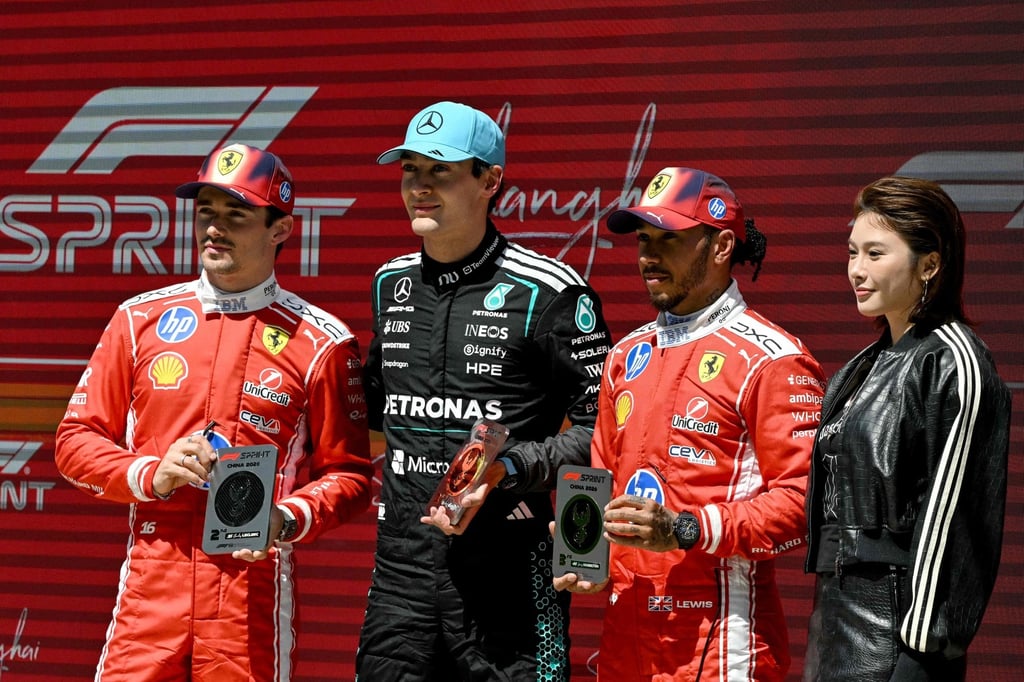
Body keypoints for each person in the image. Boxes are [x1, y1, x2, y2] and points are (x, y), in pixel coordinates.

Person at [54, 143, 373, 681]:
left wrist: (285, 519)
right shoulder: (138, 320)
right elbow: (74, 443)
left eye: (236, 214)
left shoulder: (322, 341)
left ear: (281, 230)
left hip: (250, 590)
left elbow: (351, 476)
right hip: (151, 585)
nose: (214, 228)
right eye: (206, 211)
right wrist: (151, 474)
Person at [356, 101, 612, 681]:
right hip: (402, 571)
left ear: (490, 180)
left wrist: (508, 469)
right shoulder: (389, 284)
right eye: (409, 169)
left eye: (439, 170)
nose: (419, 186)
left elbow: (605, 436)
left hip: (512, 570)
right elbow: (375, 421)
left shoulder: (550, 292)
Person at [557, 167, 826, 681]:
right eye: (643, 240)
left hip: (723, 645)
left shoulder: (773, 360)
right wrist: (593, 560)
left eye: (669, 240)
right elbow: (603, 483)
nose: (648, 256)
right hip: (625, 640)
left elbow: (803, 503)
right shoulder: (624, 355)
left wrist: (686, 528)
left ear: (722, 246)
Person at [802, 176, 1011, 681]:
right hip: (833, 627)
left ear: (930, 264)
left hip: (897, 640)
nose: (856, 270)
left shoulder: (954, 363)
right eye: (852, 252)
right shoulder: (859, 368)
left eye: (876, 254)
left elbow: (956, 523)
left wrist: (920, 654)